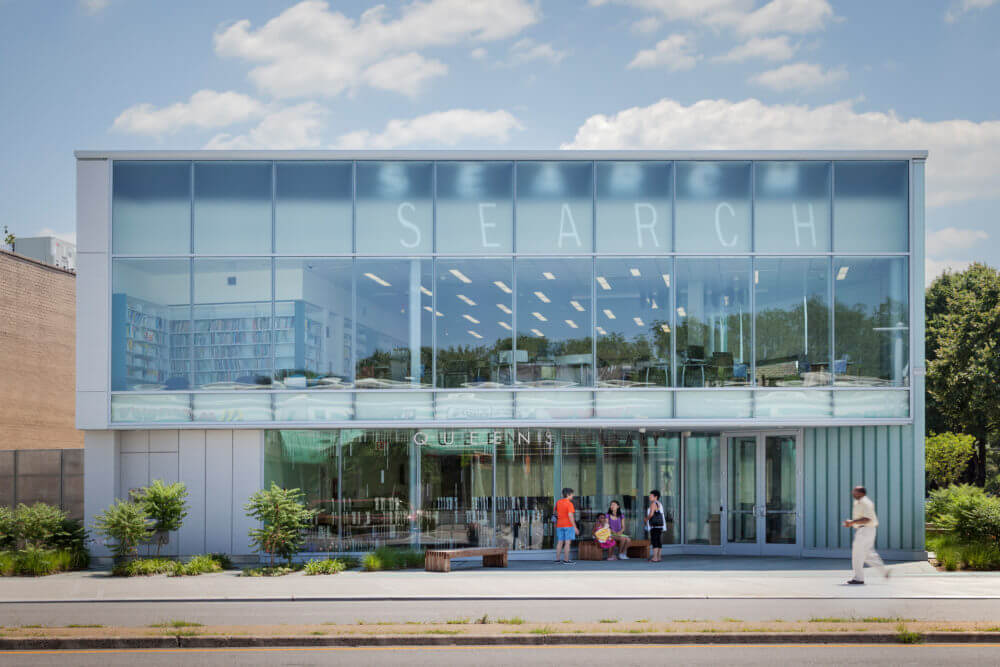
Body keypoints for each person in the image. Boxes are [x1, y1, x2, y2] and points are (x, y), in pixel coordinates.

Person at [842, 485, 888, 584]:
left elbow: (867, 519)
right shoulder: (858, 502)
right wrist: (852, 523)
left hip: (865, 530)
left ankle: (859, 578)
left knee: (857, 554)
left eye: (855, 491)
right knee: (868, 554)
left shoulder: (865, 503)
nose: (853, 493)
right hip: (867, 530)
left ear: (861, 493)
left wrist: (852, 522)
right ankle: (884, 571)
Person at [554, 487, 579, 565]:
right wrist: (575, 527)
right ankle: (566, 560)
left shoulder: (558, 502)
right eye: (572, 494)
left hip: (559, 525)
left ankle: (557, 559)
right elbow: (570, 516)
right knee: (567, 543)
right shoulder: (569, 504)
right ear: (568, 494)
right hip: (568, 525)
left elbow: (555, 513)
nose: (572, 496)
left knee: (560, 542)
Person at [645, 490, 665, 562]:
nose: (649, 497)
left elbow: (651, 514)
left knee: (654, 541)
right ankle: (659, 557)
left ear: (656, 497)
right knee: (658, 541)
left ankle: (655, 557)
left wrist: (646, 519)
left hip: (654, 525)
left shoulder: (653, 503)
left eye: (651, 496)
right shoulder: (659, 503)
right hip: (660, 525)